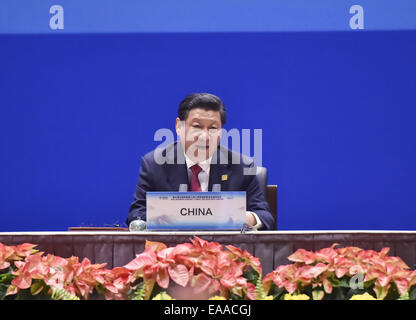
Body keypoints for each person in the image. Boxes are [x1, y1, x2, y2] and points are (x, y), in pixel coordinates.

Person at [127, 93, 275, 230]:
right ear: (179, 126)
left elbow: (264, 217)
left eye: (213, 128)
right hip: (173, 252)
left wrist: (242, 218)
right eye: (197, 127)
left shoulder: (242, 167)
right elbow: (136, 215)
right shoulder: (155, 164)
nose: (205, 136)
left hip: (223, 252)